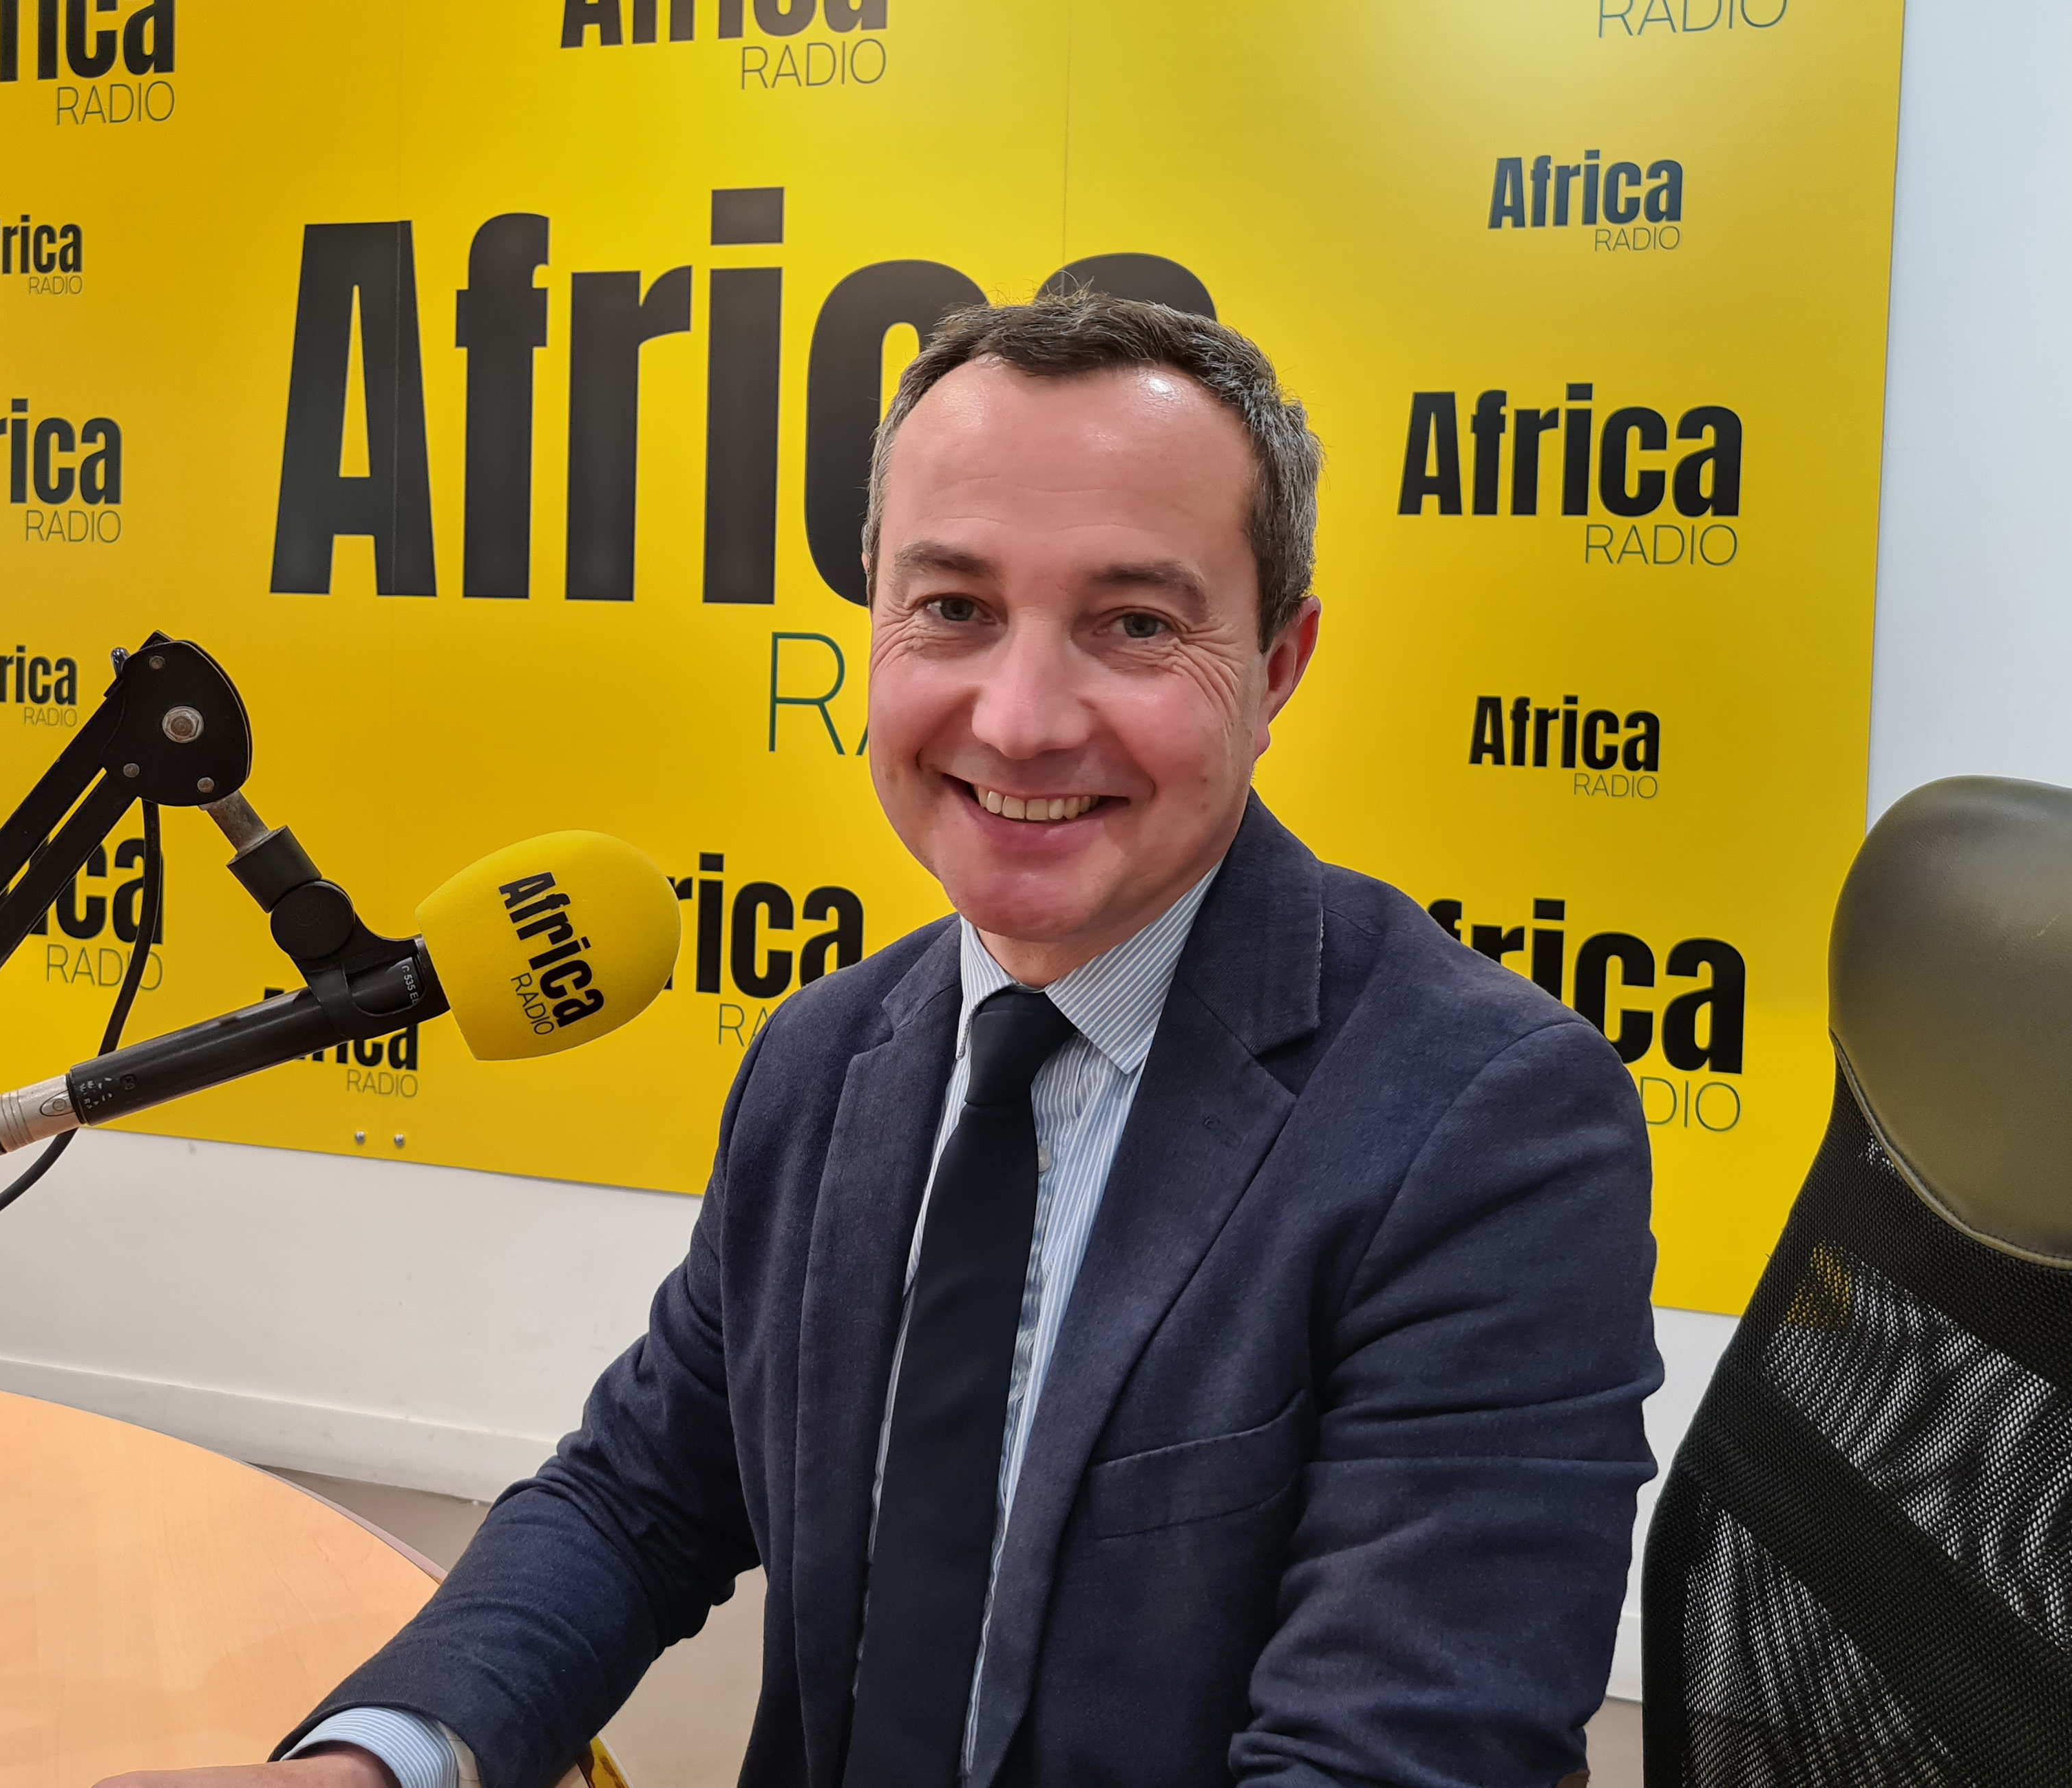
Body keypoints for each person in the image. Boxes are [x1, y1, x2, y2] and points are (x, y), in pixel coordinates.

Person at [103, 292, 1659, 1788]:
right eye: (955, 610)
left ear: (1278, 668)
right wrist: (376, 1761)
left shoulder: (1487, 1124)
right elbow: (637, 1498)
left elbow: (1401, 1755)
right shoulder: (830, 1056)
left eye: (1132, 623)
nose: (1024, 716)